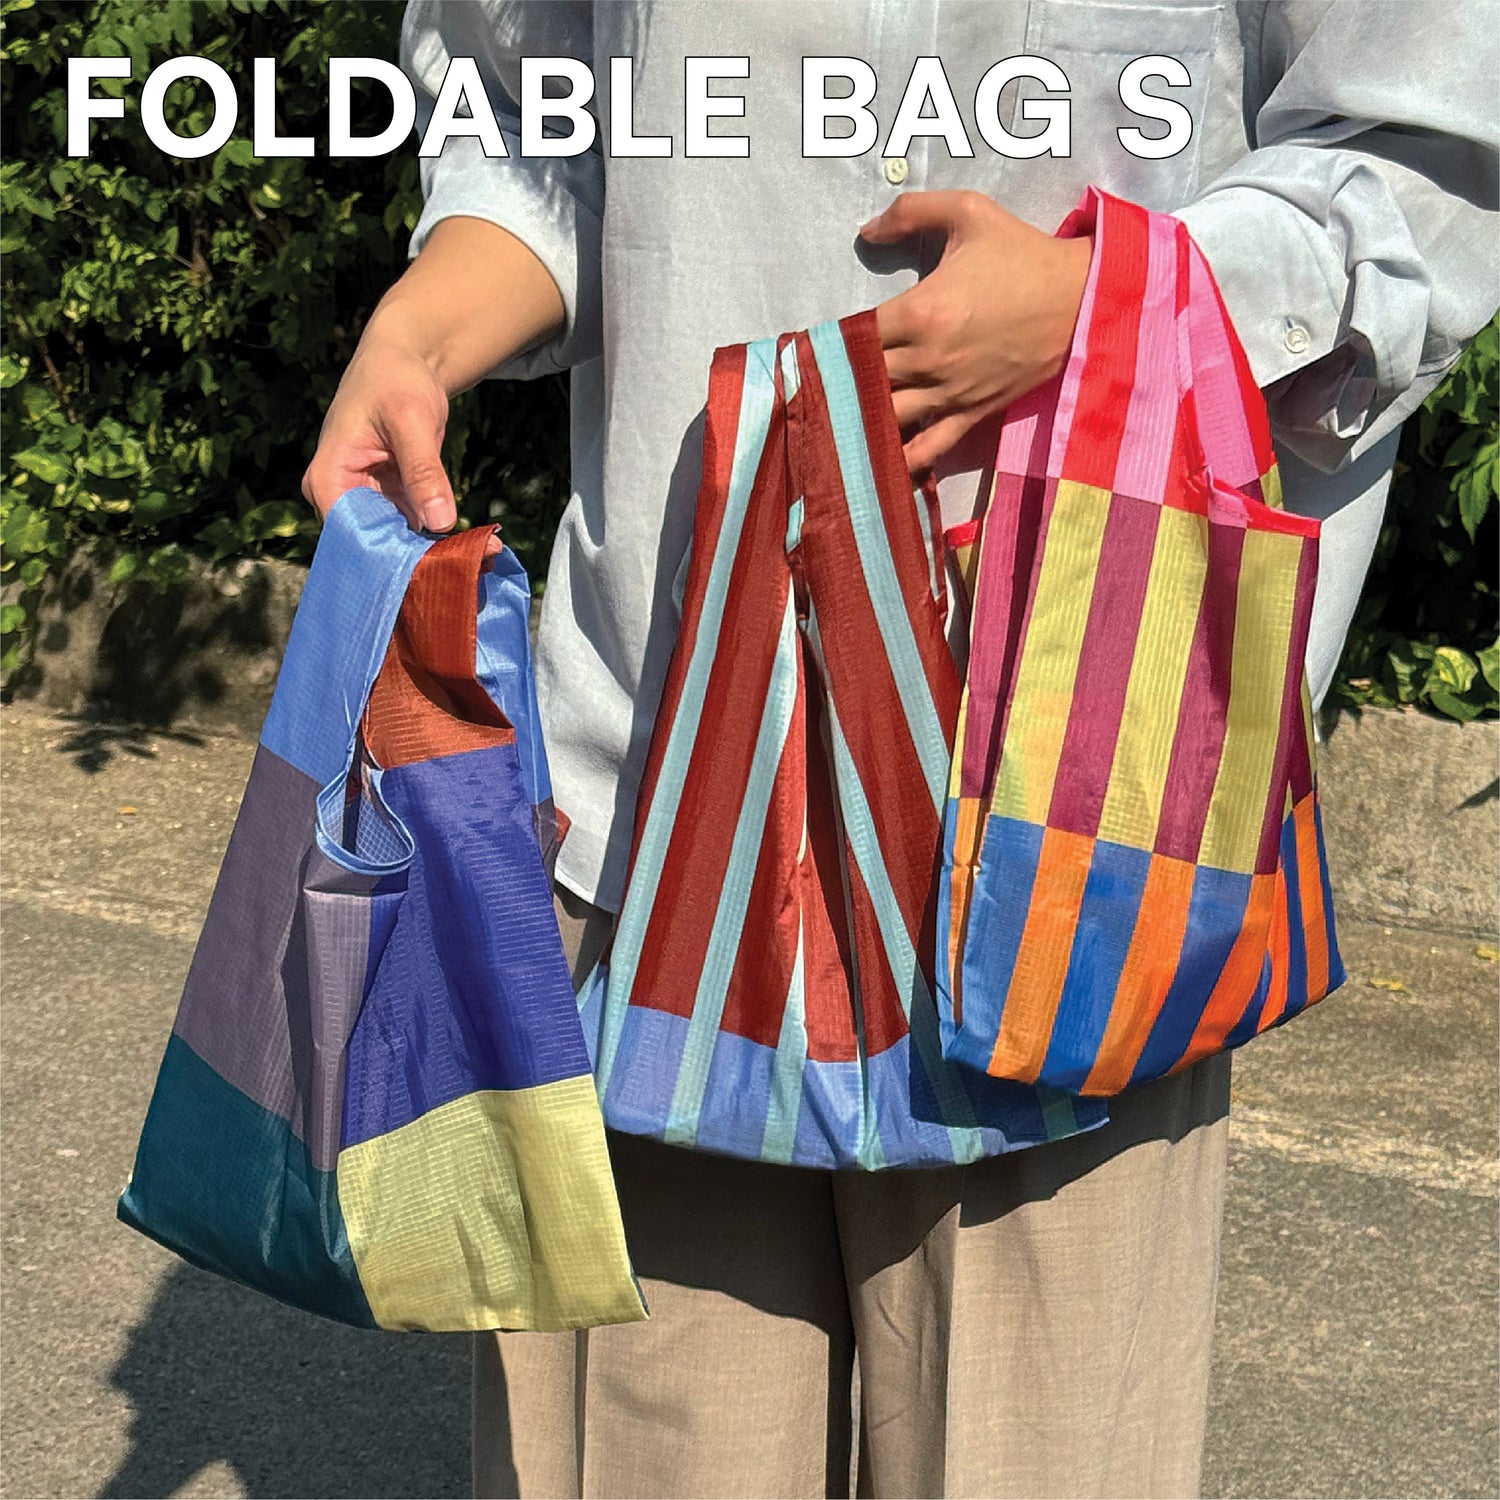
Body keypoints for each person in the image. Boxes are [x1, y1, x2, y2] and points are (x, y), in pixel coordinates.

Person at [301, 4, 1499, 1496]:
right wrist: (419, 330)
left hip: (1072, 808)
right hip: (659, 793)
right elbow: (538, 122)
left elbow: (1430, 158)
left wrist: (1103, 299)